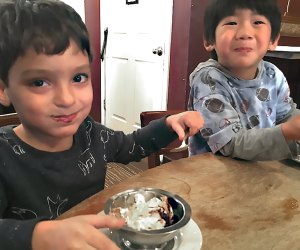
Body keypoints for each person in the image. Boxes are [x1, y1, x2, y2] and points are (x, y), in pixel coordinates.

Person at [0, 0, 204, 249]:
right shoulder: (4, 154)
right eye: (40, 82)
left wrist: (169, 124)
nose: (67, 99)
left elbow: (133, 145)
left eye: (78, 78)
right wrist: (37, 235)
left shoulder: (90, 133)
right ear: (3, 89)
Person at [188, 0, 300, 161]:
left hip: (259, 174)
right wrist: (287, 131)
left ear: (273, 40)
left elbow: (286, 115)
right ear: (209, 40)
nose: (245, 33)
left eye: (257, 22)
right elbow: (230, 144)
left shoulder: (273, 75)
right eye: (232, 22)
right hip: (213, 178)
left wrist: (294, 124)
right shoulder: (208, 80)